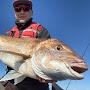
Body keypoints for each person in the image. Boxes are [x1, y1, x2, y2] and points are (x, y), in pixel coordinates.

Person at [1, 0, 51, 90]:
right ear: (14, 13)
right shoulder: (8, 34)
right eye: (18, 9)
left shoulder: (41, 31)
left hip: (36, 86)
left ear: (31, 12)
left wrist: (49, 73)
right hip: (11, 84)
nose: (22, 11)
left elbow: (49, 57)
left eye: (26, 8)